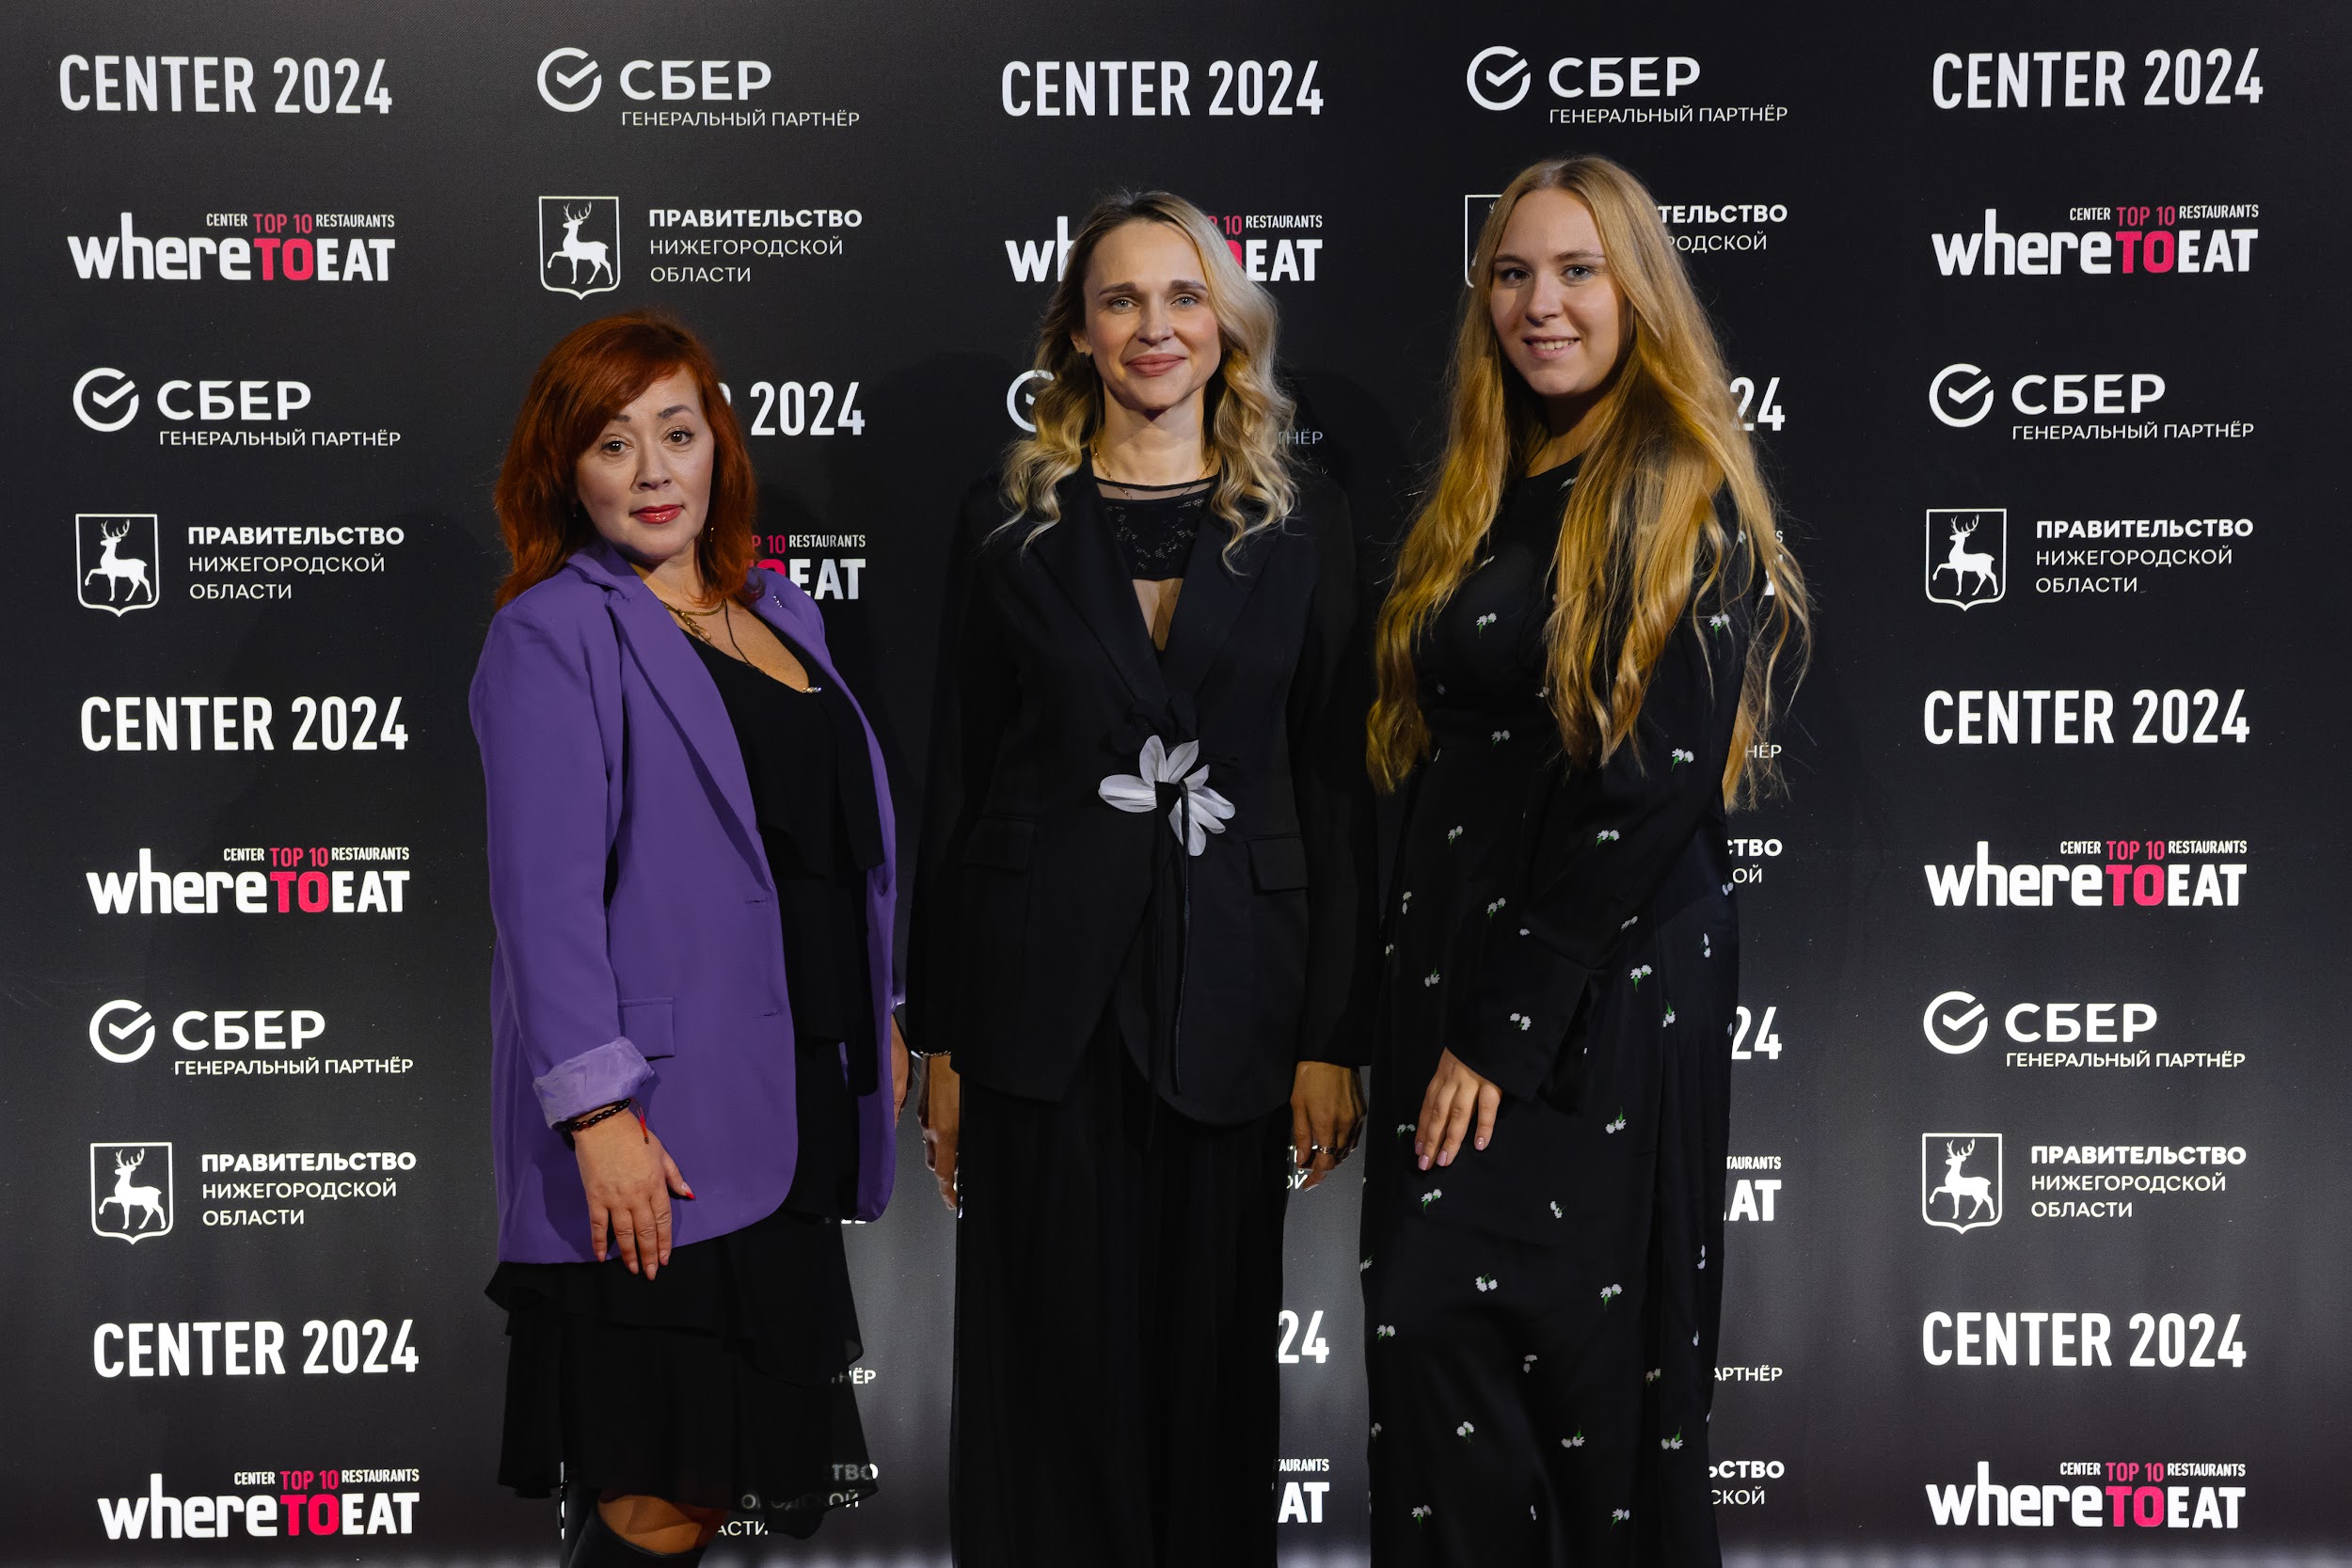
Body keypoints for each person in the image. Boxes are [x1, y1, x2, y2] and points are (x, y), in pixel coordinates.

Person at [908, 191, 1375, 1565]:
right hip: (1034, 1013)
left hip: (1237, 1000)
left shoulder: (1307, 523)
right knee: (1042, 1379)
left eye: (1183, 298)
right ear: (1078, 332)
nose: (1154, 328)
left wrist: (1332, 1036)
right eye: (1121, 300)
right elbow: (960, 780)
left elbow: (1335, 786)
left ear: (1227, 327)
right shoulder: (1005, 523)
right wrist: (939, 1035)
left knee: (1208, 1379)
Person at [1358, 155, 1807, 1564]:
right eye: (1512, 274)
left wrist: (1502, 1028)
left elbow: (1651, 788)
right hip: (1458, 984)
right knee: (1436, 1357)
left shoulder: (1674, 485)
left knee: (1593, 1405)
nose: (1539, 305)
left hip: (1597, 1000)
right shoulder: (1489, 488)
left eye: (1576, 272)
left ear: (1639, 292)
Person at [470, 312, 909, 1566]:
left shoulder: (783, 611)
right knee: (656, 1497)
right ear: (567, 473)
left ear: (720, 442)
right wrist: (599, 1115)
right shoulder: (552, 632)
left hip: (786, 1106)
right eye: (614, 444)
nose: (655, 471)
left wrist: (880, 1015)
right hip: (659, 1130)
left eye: (678, 432)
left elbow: (826, 857)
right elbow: (544, 902)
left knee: (708, 1487)